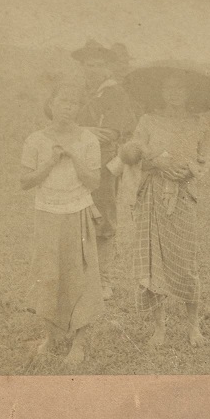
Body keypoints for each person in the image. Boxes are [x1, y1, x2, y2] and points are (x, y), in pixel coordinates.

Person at [121, 72, 210, 348]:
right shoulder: (148, 121)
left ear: (188, 93)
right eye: (169, 88)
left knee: (185, 261)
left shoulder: (199, 123)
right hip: (153, 194)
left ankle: (193, 326)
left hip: (183, 196)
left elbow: (206, 158)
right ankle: (159, 327)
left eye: (180, 89)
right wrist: (157, 164)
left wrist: (189, 172)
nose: (174, 94)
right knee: (154, 261)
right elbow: (133, 155)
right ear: (161, 92)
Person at [20, 81, 103, 366]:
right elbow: (25, 181)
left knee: (80, 274)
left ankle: (79, 342)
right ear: (51, 103)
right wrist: (51, 161)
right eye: (62, 101)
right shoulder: (36, 140)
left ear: (79, 108)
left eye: (73, 103)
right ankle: (51, 335)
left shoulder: (89, 140)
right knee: (48, 274)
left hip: (78, 211)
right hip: (47, 213)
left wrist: (76, 157)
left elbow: (94, 181)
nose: (67, 108)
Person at [72, 39, 139, 300]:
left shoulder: (115, 93)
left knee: (103, 219)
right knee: (73, 216)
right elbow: (57, 120)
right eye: (89, 65)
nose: (94, 70)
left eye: (100, 65)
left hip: (103, 165)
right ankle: (78, 275)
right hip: (72, 163)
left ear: (108, 67)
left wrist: (77, 131)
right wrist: (85, 130)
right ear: (81, 66)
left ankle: (103, 279)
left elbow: (110, 132)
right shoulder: (73, 92)